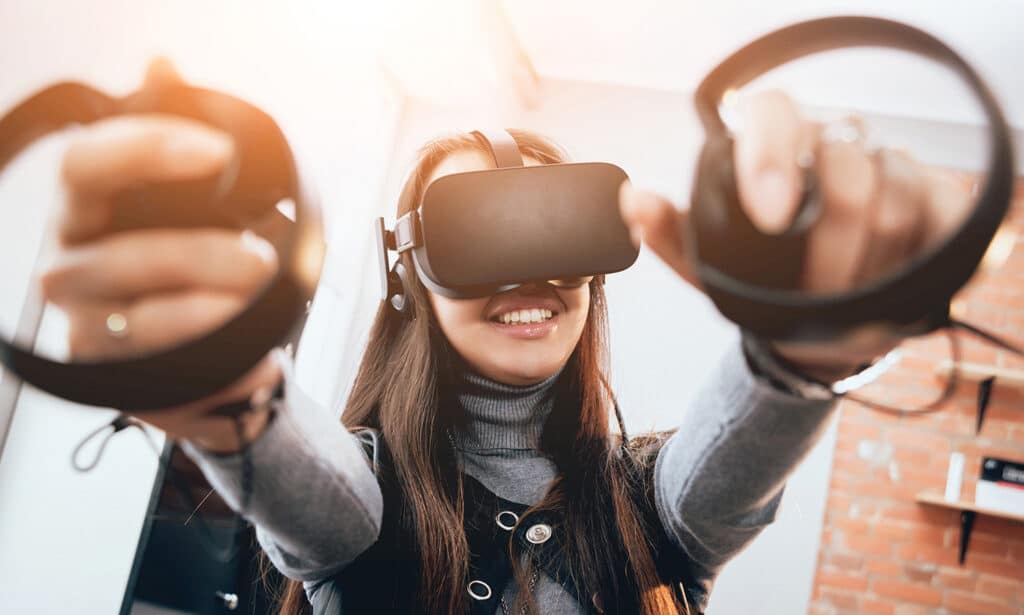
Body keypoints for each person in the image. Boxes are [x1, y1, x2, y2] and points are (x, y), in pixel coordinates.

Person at [41, 61, 968, 614]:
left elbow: (744, 438)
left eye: (556, 234)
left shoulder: (654, 503)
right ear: (408, 274)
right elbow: (291, 459)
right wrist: (225, 384)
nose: (529, 278)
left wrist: (803, 347)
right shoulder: (358, 506)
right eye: (482, 235)